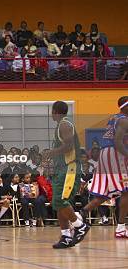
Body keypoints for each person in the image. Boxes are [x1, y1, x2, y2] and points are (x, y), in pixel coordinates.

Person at [81, 96, 127, 239]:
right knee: (126, 190)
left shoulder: (114, 118)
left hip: (106, 154)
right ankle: (120, 228)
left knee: (104, 194)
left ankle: (79, 215)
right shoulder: (124, 120)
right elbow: (118, 142)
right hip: (114, 154)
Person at [46, 101, 90, 248]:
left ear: (56, 111)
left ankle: (80, 226)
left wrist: (49, 153)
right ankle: (65, 236)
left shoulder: (65, 124)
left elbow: (69, 146)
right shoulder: (61, 126)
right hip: (62, 170)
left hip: (70, 169)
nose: (51, 114)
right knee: (58, 204)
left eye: (52, 111)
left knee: (60, 201)